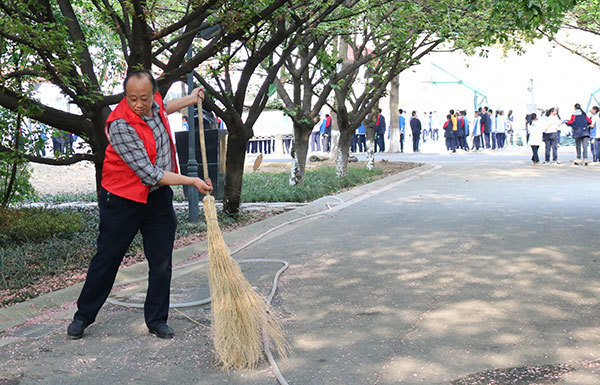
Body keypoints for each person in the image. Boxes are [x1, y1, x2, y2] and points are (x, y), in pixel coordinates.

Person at [67, 69, 213, 340]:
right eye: (132, 98)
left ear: (152, 92)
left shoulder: (154, 102)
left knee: (161, 262)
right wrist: (191, 181)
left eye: (143, 98)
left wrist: (191, 99)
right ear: (126, 96)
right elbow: (150, 173)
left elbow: (163, 107)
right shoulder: (120, 125)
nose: (138, 104)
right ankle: (83, 316)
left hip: (157, 198)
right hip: (123, 200)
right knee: (107, 259)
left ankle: (157, 319)